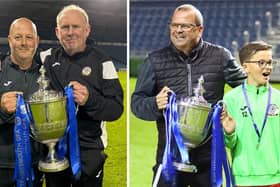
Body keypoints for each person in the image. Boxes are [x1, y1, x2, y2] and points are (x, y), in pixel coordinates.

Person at [131, 4, 246, 187]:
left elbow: (247, 88)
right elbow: (136, 103)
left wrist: (232, 112)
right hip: (169, 157)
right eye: (174, 25)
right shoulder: (155, 60)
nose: (178, 30)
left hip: (209, 159)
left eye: (184, 26)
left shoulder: (220, 56)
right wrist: (154, 103)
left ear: (199, 30)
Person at [41, 4, 124, 187]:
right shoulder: (47, 59)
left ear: (87, 30)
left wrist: (90, 100)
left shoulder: (103, 61)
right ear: (57, 31)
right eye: (65, 27)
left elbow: (116, 109)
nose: (70, 32)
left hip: (89, 151)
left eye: (76, 27)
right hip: (54, 149)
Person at [221, 41, 280, 187]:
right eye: (261, 62)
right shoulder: (231, 99)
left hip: (276, 179)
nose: (267, 67)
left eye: (270, 62)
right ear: (245, 67)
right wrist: (229, 133)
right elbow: (229, 143)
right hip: (243, 180)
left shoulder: (278, 98)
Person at [0, 18, 43, 187]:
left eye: (29, 37)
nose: (24, 43)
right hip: (2, 167)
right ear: (9, 40)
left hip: (35, 165)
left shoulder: (46, 74)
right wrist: (1, 109)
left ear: (37, 41)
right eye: (18, 38)